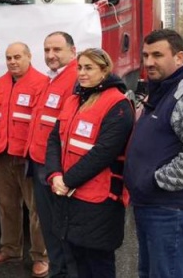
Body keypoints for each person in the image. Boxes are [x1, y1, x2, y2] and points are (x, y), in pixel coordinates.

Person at [125, 29, 183, 278]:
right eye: (145, 55)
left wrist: (154, 181)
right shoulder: (162, 91)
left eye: (157, 55)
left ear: (179, 58)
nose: (149, 62)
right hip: (152, 205)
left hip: (171, 210)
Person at [45, 48, 134, 278]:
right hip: (70, 194)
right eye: (80, 67)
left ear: (104, 71)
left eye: (89, 68)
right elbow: (55, 138)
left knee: (98, 262)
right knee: (77, 259)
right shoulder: (73, 99)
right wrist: (54, 174)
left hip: (99, 198)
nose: (82, 73)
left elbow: (104, 152)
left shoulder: (118, 105)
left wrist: (66, 180)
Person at [0, 42, 49, 277]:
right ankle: (10, 249)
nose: (12, 61)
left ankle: (41, 256)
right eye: (8, 57)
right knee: (6, 205)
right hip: (3, 154)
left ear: (29, 57)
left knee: (36, 210)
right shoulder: (0, 83)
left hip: (28, 157)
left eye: (17, 57)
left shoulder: (41, 83)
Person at [26, 32, 78, 277]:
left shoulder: (75, 79)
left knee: (60, 231)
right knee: (50, 228)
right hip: (41, 165)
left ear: (72, 50)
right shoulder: (53, 78)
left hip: (56, 170)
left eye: (57, 49)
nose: (50, 55)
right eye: (47, 50)